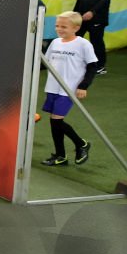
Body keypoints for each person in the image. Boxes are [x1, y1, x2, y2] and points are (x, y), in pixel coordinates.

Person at [41, 12, 97, 166]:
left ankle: (81, 144)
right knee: (54, 123)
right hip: (52, 87)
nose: (59, 29)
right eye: (57, 26)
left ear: (76, 28)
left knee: (56, 121)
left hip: (68, 89)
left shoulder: (83, 44)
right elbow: (45, 63)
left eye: (64, 27)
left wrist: (83, 86)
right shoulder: (55, 42)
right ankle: (61, 156)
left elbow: (92, 67)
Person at [73, 0, 113, 75]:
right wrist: (75, 13)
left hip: (98, 18)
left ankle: (100, 66)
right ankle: (77, 62)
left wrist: (92, 12)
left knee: (96, 41)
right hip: (81, 17)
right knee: (76, 38)